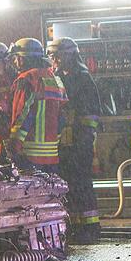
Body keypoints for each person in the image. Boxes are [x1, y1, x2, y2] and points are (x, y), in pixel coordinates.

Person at [48, 37, 102, 243]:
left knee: (82, 184)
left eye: (58, 55)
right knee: (67, 185)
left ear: (70, 55)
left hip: (80, 142)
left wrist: (80, 133)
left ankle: (91, 227)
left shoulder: (83, 78)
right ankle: (74, 226)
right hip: (62, 142)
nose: (54, 59)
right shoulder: (57, 77)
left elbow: (92, 115)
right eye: (52, 55)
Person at [6, 38, 66, 172]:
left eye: (16, 58)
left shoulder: (26, 79)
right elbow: (63, 116)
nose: (15, 62)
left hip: (29, 155)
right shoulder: (56, 79)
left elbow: (22, 115)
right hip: (52, 155)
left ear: (22, 59)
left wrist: (13, 145)